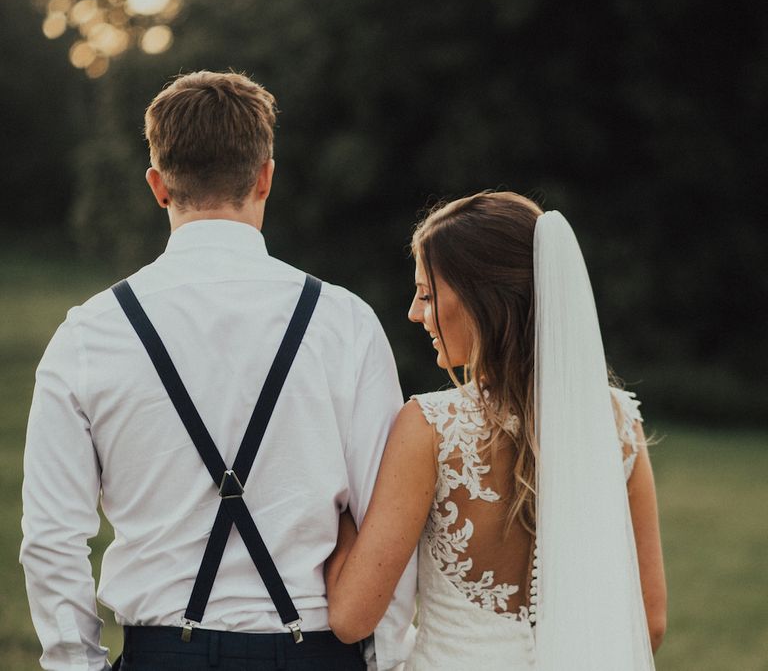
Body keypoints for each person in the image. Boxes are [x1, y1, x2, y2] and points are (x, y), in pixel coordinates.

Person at [20, 71, 416, 671]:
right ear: (265, 176)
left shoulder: (89, 334)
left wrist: (77, 664)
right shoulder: (345, 323)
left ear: (157, 186)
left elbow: (50, 539)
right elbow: (386, 525)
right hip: (315, 654)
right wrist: (386, 659)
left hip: (160, 654)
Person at [324, 192, 667, 670]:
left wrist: (334, 509)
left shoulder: (431, 429)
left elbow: (350, 617)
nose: (414, 312)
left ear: (481, 298)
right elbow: (648, 621)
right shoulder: (617, 423)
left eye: (427, 294)